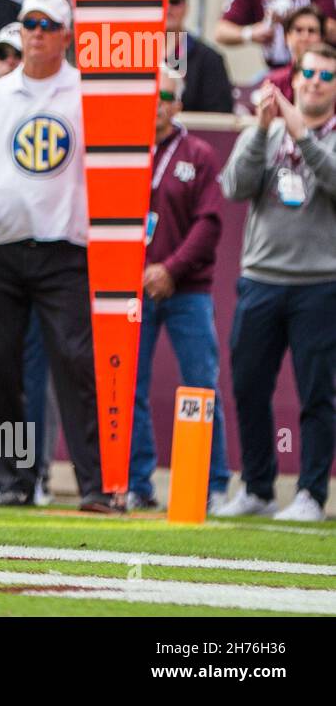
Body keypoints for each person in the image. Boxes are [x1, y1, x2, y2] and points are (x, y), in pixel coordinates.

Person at [0, 0, 111, 511]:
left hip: (65, 244)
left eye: (47, 23)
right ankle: (13, 481)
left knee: (76, 362)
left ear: (67, 34)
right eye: (28, 23)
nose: (36, 32)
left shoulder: (86, 94)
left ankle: (94, 483)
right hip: (0, 244)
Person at [217, 45, 336, 522]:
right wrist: (263, 128)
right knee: (247, 386)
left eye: (325, 75)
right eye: (307, 72)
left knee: (317, 394)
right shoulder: (266, 133)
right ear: (295, 78)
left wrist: (302, 134)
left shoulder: (322, 136)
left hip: (320, 282)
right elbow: (234, 186)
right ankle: (258, 487)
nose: (314, 81)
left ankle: (310, 493)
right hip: (260, 278)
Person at [127, 66, 230, 511]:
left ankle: (215, 483)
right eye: (151, 94)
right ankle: (135, 481)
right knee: (130, 385)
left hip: (187, 289)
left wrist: (169, 268)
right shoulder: (124, 151)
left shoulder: (199, 153)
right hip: (133, 288)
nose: (158, 103)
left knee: (201, 384)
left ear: (179, 104)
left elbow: (209, 223)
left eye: (167, 95)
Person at [166, 0, 233, 113]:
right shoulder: (134, 55)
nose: (167, 8)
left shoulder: (208, 60)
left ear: (186, 6)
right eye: (159, 1)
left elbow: (219, 117)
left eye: (174, 1)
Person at [262, 6, 326, 102]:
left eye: (311, 31)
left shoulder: (332, 79)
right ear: (286, 37)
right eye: (299, 30)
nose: (305, 37)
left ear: (322, 38)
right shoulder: (273, 82)